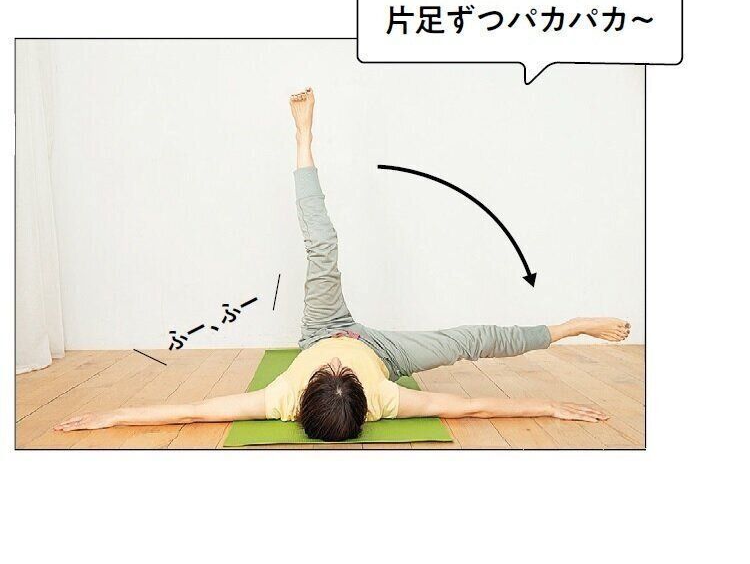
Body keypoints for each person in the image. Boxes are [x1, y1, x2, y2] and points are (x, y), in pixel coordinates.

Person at [56, 87, 629, 441]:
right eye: (340, 372)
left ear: (304, 393)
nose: (334, 363)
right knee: (471, 339)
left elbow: (196, 411)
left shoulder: (278, 400)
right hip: (386, 352)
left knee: (322, 247)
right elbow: (474, 405)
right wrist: (550, 406)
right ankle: (571, 325)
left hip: (321, 325)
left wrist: (114, 417)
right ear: (365, 397)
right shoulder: (387, 398)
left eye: (323, 372)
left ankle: (303, 140)